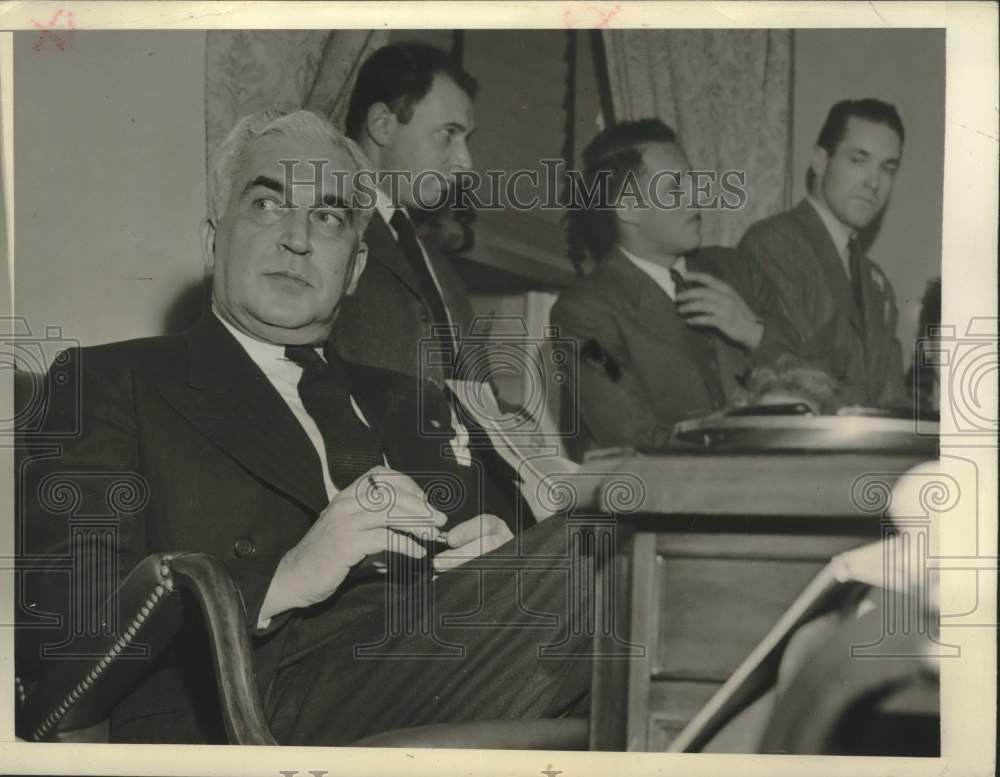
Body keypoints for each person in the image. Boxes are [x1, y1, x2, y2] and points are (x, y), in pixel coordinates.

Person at [15, 110, 595, 746]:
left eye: (328, 217)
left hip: (447, 675)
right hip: (245, 707)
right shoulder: (109, 381)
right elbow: (62, 627)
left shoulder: (420, 403)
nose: (297, 238)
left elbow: (526, 572)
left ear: (353, 270)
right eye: (267, 204)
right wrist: (288, 575)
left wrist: (499, 558)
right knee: (616, 551)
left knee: (615, 555)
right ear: (213, 243)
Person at [550, 119, 794, 455]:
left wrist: (754, 333)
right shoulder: (583, 315)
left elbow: (819, 377)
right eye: (676, 188)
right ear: (628, 207)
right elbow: (636, 439)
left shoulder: (739, 269)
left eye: (692, 181)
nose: (698, 195)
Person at [738, 98, 907, 408]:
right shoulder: (774, 244)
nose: (874, 182)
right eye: (859, 160)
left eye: (887, 168)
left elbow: (892, 399)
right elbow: (791, 381)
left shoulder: (877, 283)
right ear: (819, 160)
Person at [334, 42, 478, 384]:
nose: (466, 161)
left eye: (467, 139)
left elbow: (473, 397)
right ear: (382, 125)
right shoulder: (325, 233)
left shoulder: (439, 270)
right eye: (449, 134)